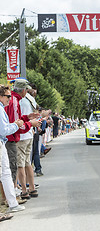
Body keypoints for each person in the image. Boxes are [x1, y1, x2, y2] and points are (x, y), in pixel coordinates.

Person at [5, 79, 41, 196]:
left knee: (21, 164)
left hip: (20, 136)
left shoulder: (16, 100)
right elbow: (17, 124)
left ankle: (24, 190)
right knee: (21, 164)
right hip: (21, 136)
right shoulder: (17, 101)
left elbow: (18, 120)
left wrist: (27, 118)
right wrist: (30, 123)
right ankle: (26, 189)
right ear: (24, 90)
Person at [0, 84, 26, 213]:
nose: (9, 99)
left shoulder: (1, 109)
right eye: (7, 97)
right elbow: (4, 130)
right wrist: (16, 125)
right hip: (1, 142)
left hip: (2, 142)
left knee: (5, 173)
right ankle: (11, 203)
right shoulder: (0, 110)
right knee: (4, 173)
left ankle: (12, 203)